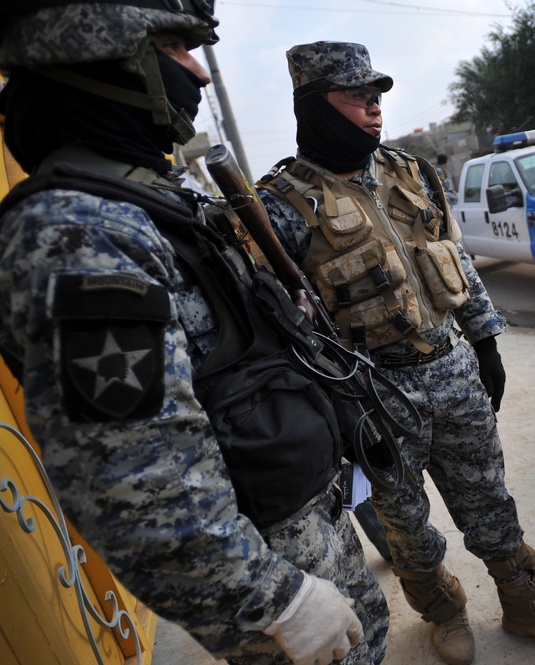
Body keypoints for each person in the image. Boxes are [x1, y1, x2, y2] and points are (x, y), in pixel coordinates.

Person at [0, 5, 388, 665]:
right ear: (104, 57)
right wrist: (275, 599)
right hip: (270, 575)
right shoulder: (80, 236)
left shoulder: (139, 204)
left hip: (299, 528)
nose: (200, 72)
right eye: (176, 46)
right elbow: (136, 483)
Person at [257, 41, 535, 665]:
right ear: (314, 106)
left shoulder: (408, 170)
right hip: (374, 395)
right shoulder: (280, 203)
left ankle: (527, 606)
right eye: (355, 98)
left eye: (376, 96)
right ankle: (445, 612)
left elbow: (453, 257)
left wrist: (485, 339)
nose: (373, 109)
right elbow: (286, 329)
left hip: (452, 369)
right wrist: (335, 408)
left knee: (489, 498)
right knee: (406, 527)